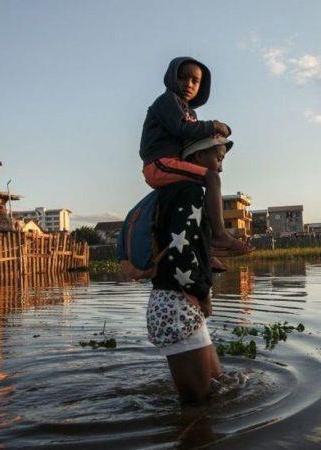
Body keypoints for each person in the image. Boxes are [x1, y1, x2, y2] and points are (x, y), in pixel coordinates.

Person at [147, 136, 241, 402]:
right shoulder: (188, 192)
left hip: (177, 305)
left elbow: (190, 248)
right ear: (198, 157)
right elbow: (181, 253)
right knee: (198, 405)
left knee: (217, 388)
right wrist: (204, 294)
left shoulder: (173, 192)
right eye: (218, 158)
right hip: (178, 306)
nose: (220, 168)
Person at [139, 56, 252, 257]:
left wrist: (211, 134)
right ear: (172, 78)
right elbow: (182, 128)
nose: (188, 84)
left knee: (200, 196)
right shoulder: (167, 101)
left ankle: (205, 247)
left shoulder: (189, 111)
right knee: (211, 177)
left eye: (195, 81)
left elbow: (192, 137)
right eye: (182, 78)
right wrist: (214, 125)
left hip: (173, 162)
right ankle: (219, 234)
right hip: (159, 163)